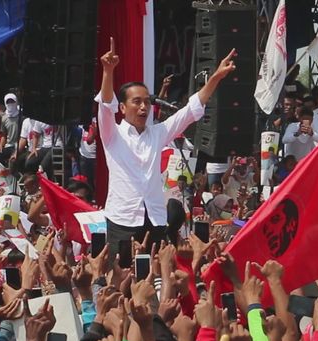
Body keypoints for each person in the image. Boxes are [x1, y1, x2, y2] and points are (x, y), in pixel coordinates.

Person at [96, 36, 236, 255]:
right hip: (122, 219)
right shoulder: (112, 134)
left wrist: (215, 78)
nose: (144, 107)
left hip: (155, 218)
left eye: (147, 102)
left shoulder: (158, 133)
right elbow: (105, 107)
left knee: (154, 277)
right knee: (121, 280)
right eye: (137, 102)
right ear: (122, 107)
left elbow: (190, 111)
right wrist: (108, 71)